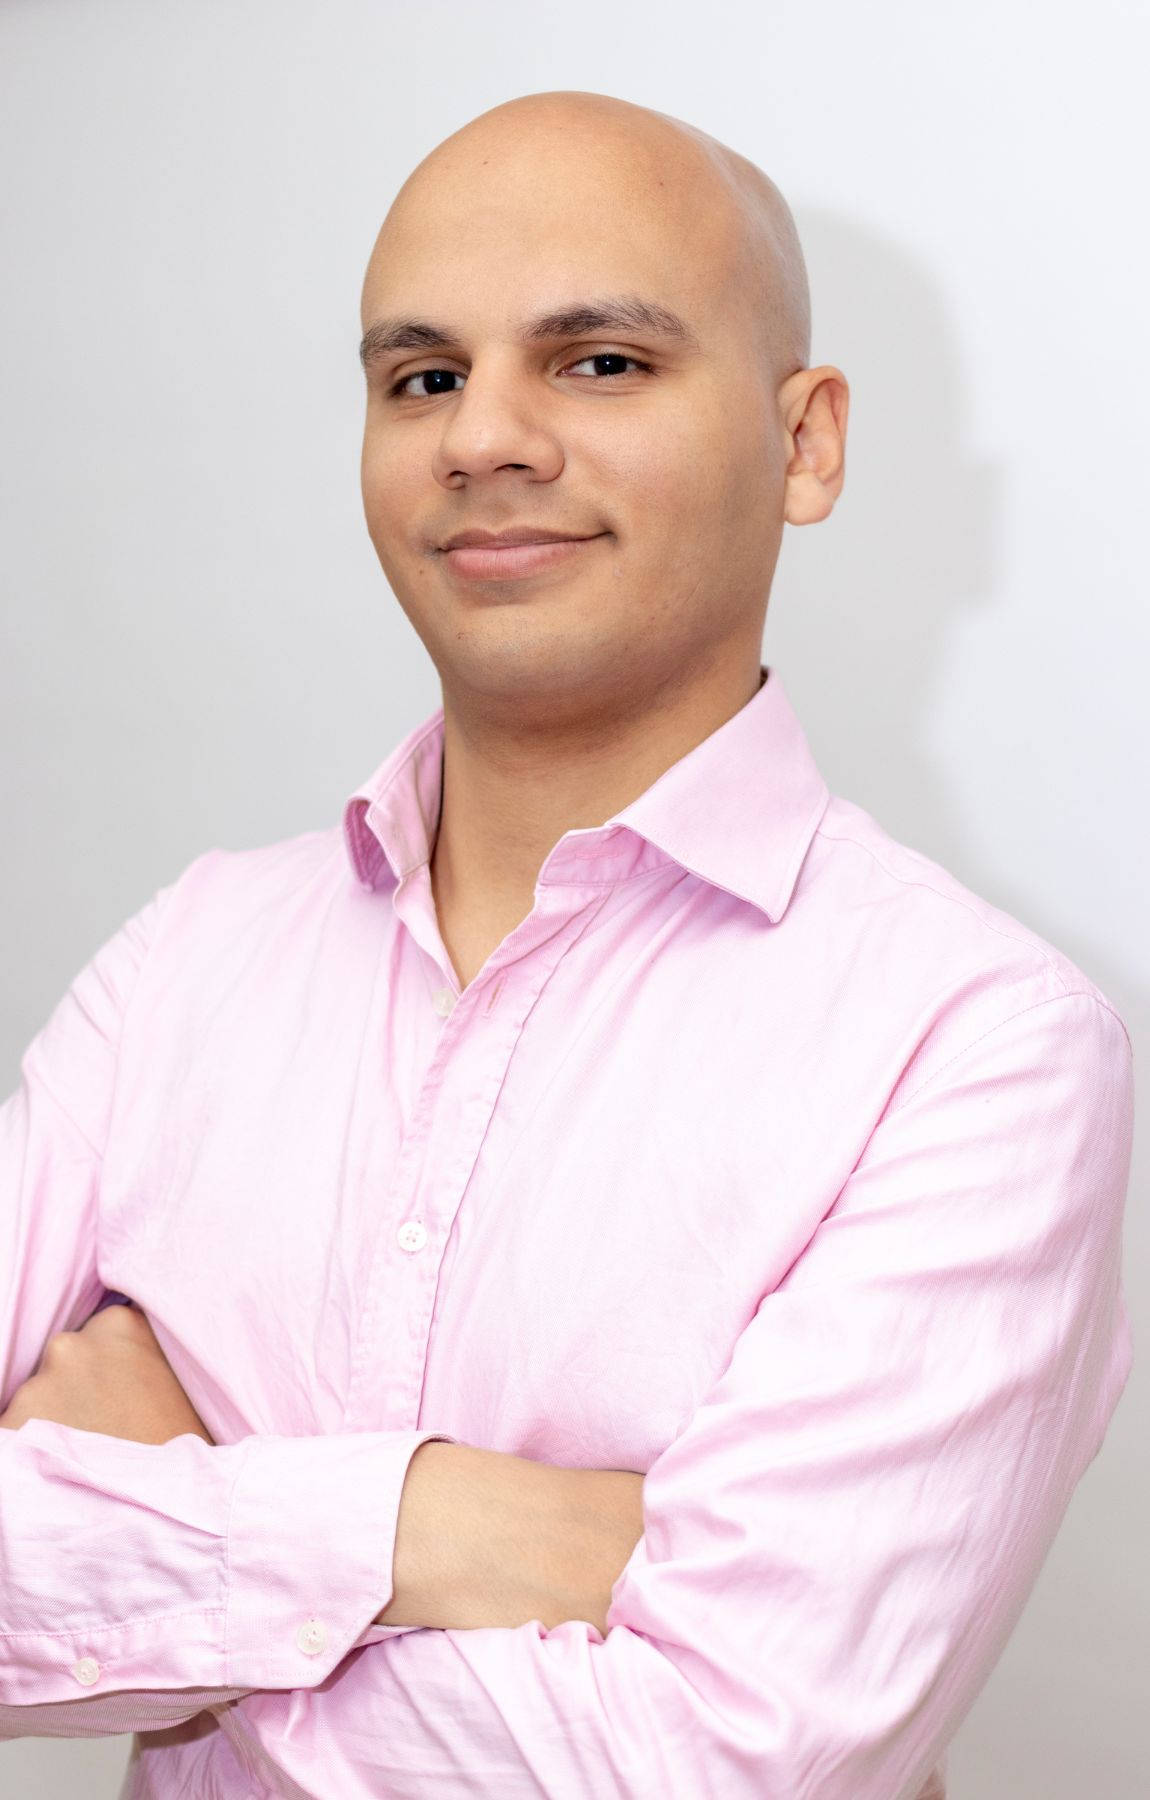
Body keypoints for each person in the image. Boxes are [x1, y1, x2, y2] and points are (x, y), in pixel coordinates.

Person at [0, 89, 1132, 1800]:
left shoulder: (975, 1042)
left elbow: (719, 1763)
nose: (483, 439)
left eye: (599, 362)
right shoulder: (183, 963)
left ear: (806, 441)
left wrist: (178, 1576)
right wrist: (454, 1530)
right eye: (423, 377)